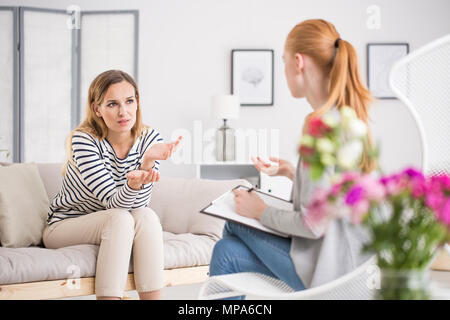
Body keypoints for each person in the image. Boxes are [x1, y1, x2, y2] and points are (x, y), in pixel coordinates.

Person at [209, 19, 376, 294]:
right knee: (226, 252)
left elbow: (313, 224)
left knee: (233, 221)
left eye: (284, 61)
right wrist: (291, 171)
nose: (284, 69)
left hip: (329, 272)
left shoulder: (320, 126)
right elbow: (332, 194)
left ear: (298, 62)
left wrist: (259, 211)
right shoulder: (346, 118)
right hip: (351, 266)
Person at [43, 70, 182, 300]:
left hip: (116, 221)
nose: (123, 112)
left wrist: (147, 163)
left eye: (129, 101)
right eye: (112, 104)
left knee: (146, 217)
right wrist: (135, 181)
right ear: (97, 109)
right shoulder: (84, 140)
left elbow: (138, 206)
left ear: (137, 102)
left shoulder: (149, 139)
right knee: (119, 218)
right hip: (67, 224)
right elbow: (114, 204)